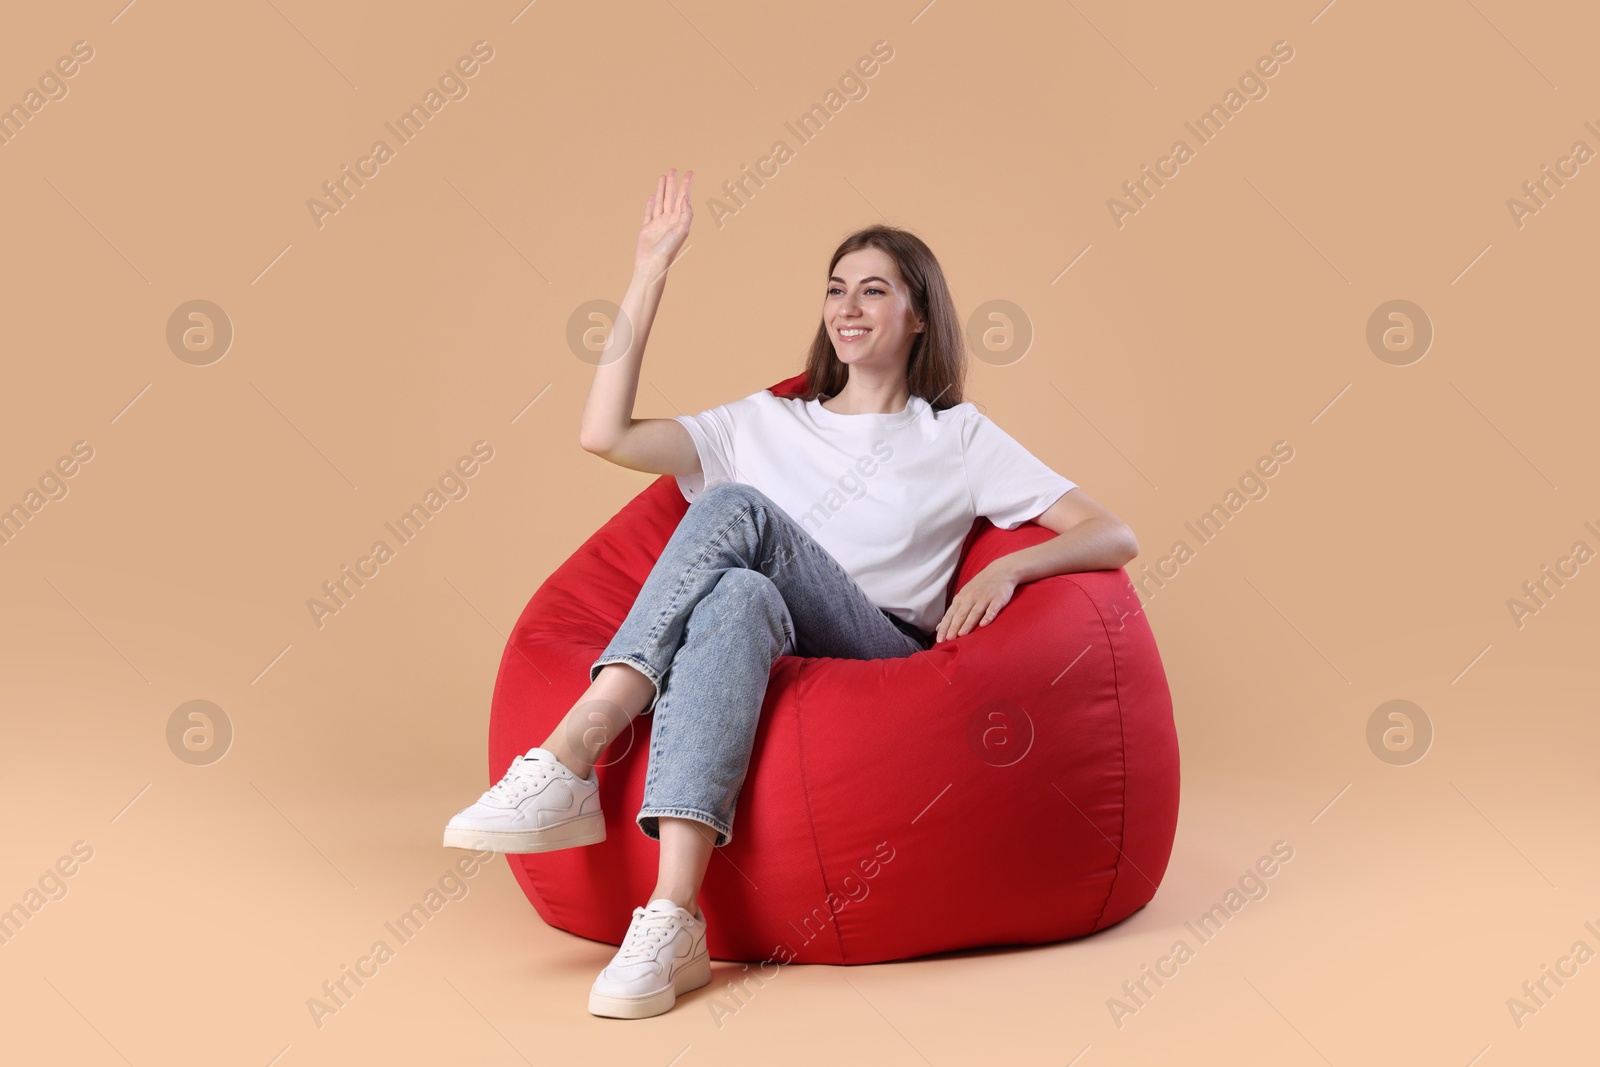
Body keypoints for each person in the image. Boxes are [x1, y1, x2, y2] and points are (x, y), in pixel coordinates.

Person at [442, 168, 1139, 1019]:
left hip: (878, 647)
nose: (847, 307)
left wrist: (1006, 567)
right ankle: (673, 917)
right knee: (734, 593)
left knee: (736, 511)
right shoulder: (764, 422)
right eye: (835, 290)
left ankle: (570, 755)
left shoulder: (955, 435)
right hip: (769, 631)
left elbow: (1113, 533)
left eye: (873, 290)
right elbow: (604, 434)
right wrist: (650, 268)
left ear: (919, 314)